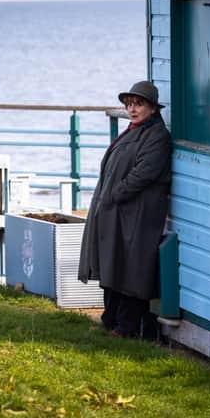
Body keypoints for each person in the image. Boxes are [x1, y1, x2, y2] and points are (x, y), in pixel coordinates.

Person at [78, 81, 172, 338]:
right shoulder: (134, 131)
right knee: (113, 265)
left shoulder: (157, 136)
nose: (132, 109)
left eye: (139, 104)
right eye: (129, 104)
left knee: (132, 270)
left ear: (152, 108)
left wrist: (115, 193)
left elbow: (144, 172)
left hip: (137, 213)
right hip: (119, 211)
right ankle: (111, 320)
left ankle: (127, 327)